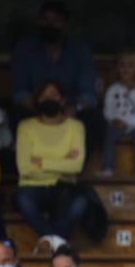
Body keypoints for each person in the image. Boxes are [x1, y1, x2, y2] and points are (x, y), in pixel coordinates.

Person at [9, 1, 104, 153]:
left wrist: (72, 110)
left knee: (94, 119)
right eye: (45, 20)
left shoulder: (79, 50)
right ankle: (32, 168)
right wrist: (40, 110)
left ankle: (72, 170)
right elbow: (19, 92)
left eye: (55, 21)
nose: (50, 25)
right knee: (15, 115)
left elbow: (89, 94)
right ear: (39, 22)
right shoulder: (25, 49)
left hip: (70, 110)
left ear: (65, 25)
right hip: (35, 108)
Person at [14, 81, 88, 248]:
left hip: (63, 187)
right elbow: (24, 168)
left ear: (62, 100)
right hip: (32, 187)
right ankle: (58, 244)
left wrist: (41, 161)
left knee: (80, 202)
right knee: (22, 199)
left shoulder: (75, 127)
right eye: (44, 96)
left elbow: (76, 166)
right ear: (38, 101)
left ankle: (50, 242)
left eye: (54, 95)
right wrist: (62, 160)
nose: (49, 99)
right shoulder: (26, 127)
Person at [100, 49, 135, 176]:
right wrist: (114, 119)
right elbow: (108, 110)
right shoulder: (113, 89)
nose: (126, 69)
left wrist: (131, 91)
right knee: (109, 135)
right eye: (122, 65)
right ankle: (108, 168)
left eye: (130, 65)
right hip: (118, 123)